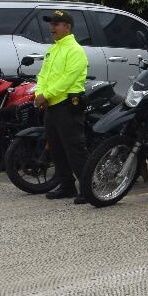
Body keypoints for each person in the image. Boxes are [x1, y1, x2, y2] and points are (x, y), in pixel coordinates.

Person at [34, 10, 89, 204]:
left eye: (56, 24)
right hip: (51, 106)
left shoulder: (75, 50)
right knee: (56, 149)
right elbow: (43, 75)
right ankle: (67, 186)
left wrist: (46, 95)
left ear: (67, 27)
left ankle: (88, 189)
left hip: (67, 105)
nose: (52, 28)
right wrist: (39, 94)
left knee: (75, 150)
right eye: (51, 24)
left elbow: (68, 79)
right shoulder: (53, 49)